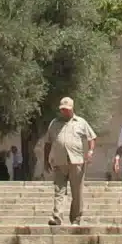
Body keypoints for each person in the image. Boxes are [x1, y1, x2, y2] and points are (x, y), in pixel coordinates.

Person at [40, 96, 96, 226]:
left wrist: (90, 151)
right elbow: (48, 142)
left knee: (77, 192)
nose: (64, 111)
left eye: (67, 109)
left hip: (77, 161)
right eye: (62, 109)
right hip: (59, 162)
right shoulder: (54, 123)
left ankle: (75, 219)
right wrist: (46, 160)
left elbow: (92, 138)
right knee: (59, 190)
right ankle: (57, 217)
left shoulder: (81, 122)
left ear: (72, 109)